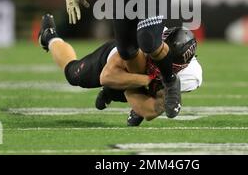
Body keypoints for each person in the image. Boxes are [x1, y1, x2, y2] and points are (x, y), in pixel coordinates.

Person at [38, 14, 202, 126]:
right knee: (73, 74)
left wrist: (138, 91)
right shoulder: (146, 39)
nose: (158, 60)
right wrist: (145, 79)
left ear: (182, 67)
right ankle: (50, 36)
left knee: (153, 97)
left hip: (143, 81)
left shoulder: (190, 76)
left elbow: (151, 110)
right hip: (115, 61)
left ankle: (114, 92)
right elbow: (107, 76)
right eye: (160, 54)